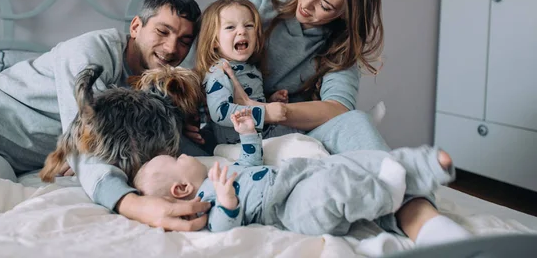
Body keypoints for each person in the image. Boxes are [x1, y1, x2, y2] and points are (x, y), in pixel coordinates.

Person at [183, 0, 471, 246]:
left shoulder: (339, 48)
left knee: (354, 122)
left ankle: (424, 222)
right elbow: (194, 63)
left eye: (324, 5)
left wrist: (274, 111)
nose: (306, 5)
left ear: (345, 13)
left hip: (287, 135)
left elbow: (337, 107)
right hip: (227, 136)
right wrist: (189, 110)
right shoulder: (257, 9)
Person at [0, 0, 211, 231]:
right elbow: (88, 139)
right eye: (162, 32)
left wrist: (187, 123)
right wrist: (131, 203)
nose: (172, 47)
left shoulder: (155, 93)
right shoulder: (91, 51)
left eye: (185, 40)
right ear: (137, 27)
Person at [135, 108, 456, 236]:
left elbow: (251, 161)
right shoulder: (207, 197)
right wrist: (227, 199)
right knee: (331, 189)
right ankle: (387, 195)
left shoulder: (222, 170)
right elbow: (220, 228)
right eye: (176, 159)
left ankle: (422, 164)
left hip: (294, 174)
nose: (181, 154)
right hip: (285, 208)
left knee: (358, 160)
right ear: (180, 189)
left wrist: (248, 132)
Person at [193, 0, 288, 152]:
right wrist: (264, 113)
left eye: (249, 26)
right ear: (214, 41)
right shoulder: (219, 71)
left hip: (261, 134)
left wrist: (269, 101)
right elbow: (220, 112)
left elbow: (247, 101)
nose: (242, 31)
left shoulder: (250, 68)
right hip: (237, 145)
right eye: (230, 27)